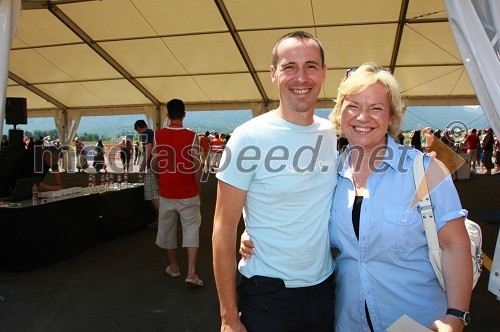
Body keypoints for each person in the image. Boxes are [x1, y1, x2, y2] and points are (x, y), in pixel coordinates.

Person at [242, 63, 473, 331]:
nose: (363, 117)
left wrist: (456, 315)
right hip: (349, 322)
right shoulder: (327, 172)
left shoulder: (425, 170)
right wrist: (255, 233)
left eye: (376, 108)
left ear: (391, 118)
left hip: (419, 321)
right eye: (353, 106)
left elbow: (455, 245)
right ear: (340, 114)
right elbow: (299, 215)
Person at [212, 31, 338, 332]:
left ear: (323, 73)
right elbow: (222, 227)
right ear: (273, 74)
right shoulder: (248, 137)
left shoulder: (332, 133)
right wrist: (228, 317)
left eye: (310, 66)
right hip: (269, 297)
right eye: (289, 67)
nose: (301, 77)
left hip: (325, 290)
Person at [152, 99, 203, 286]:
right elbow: (198, 166)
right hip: (188, 191)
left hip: (167, 192)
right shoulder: (192, 136)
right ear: (184, 115)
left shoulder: (158, 135)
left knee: (167, 229)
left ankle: (174, 266)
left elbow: (156, 163)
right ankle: (191, 272)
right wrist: (198, 187)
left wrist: (160, 177)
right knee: (191, 230)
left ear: (167, 115)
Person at [134, 119, 159, 227]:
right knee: (156, 193)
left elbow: (148, 148)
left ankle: (164, 218)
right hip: (156, 166)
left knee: (151, 194)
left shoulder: (146, 134)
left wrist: (143, 165)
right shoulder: (153, 133)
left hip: (151, 167)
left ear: (139, 128)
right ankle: (160, 220)